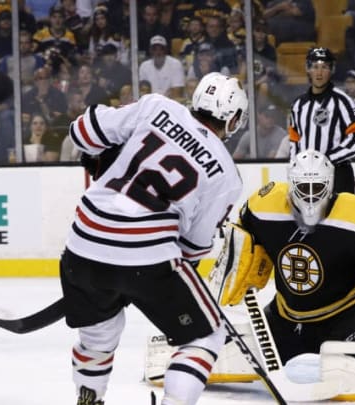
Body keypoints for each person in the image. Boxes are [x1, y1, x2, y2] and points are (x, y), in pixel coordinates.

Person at [59, 71, 247, 405]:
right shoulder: (227, 175)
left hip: (82, 243)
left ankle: (89, 396)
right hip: (148, 256)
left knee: (99, 333)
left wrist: (111, 152)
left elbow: (82, 133)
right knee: (206, 335)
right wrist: (145, 279)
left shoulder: (157, 107)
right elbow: (192, 247)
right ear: (232, 119)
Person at [229, 149, 355, 368]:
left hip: (346, 317)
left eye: (316, 187)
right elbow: (241, 232)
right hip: (287, 317)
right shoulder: (264, 206)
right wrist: (236, 266)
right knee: (227, 357)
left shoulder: (353, 218)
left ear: (330, 184)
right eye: (302, 187)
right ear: (291, 183)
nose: (309, 195)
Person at [287, 47, 355, 194]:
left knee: (340, 217)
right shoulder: (298, 104)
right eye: (315, 67)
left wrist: (329, 159)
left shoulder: (343, 101)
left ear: (332, 70)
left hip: (338, 176)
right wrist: (294, 169)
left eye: (324, 67)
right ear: (308, 69)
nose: (319, 72)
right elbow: (294, 141)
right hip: (306, 179)